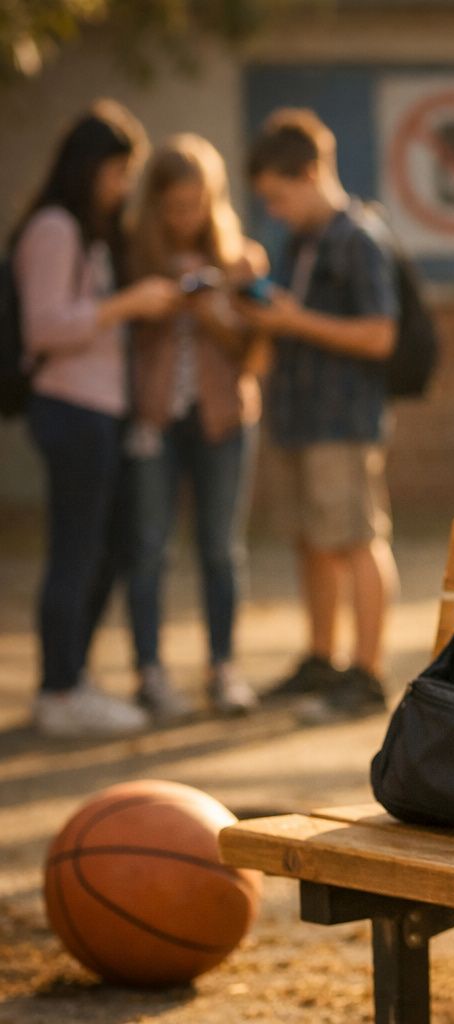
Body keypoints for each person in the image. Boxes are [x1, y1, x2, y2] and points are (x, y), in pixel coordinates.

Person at [15, 100, 183, 738]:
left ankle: (74, 677)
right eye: (118, 172)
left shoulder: (91, 232)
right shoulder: (54, 228)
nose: (123, 188)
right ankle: (59, 689)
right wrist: (125, 305)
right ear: (90, 167)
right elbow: (45, 326)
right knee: (76, 551)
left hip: (102, 411)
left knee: (104, 550)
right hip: (69, 408)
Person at [239, 108, 398, 718]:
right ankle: (322, 658)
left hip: (344, 419)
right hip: (296, 414)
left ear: (310, 173)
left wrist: (292, 320)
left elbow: (381, 335)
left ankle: (366, 672)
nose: (273, 211)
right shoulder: (299, 240)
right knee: (311, 541)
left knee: (354, 538)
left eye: (279, 196)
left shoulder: (359, 237)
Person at [124, 134, 267, 719]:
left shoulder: (242, 260)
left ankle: (223, 667)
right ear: (155, 205)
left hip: (223, 419)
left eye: (196, 205)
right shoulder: (132, 257)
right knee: (150, 548)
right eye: (174, 207)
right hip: (155, 418)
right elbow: (118, 340)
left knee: (220, 546)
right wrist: (155, 304)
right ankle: (150, 672)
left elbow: (256, 351)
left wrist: (212, 310)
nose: (185, 218)